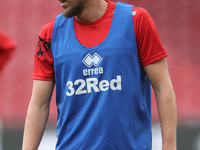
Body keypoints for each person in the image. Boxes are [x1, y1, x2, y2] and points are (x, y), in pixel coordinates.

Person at [22, 0, 177, 149]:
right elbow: (39, 104)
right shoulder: (49, 34)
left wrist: (169, 146)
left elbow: (162, 87)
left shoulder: (136, 20)